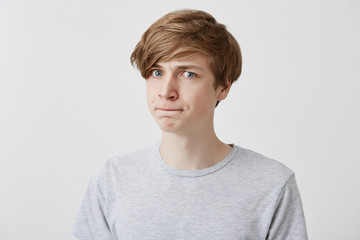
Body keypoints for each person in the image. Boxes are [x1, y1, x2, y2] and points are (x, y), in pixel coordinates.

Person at [72, 9, 308, 240]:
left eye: (188, 74)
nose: (166, 92)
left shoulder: (272, 184)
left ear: (223, 87)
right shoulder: (112, 180)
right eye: (156, 72)